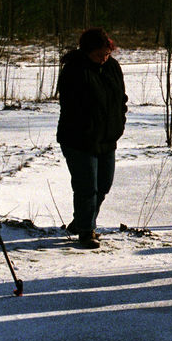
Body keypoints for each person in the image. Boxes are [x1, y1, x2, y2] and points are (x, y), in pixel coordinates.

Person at [57, 28, 127, 250]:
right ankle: (87, 231)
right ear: (87, 51)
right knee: (87, 186)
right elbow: (70, 106)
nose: (103, 58)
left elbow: (121, 99)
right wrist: (87, 127)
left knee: (104, 184)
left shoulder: (112, 67)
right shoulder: (74, 69)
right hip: (79, 140)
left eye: (107, 54)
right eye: (99, 55)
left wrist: (119, 122)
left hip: (107, 138)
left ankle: (81, 221)